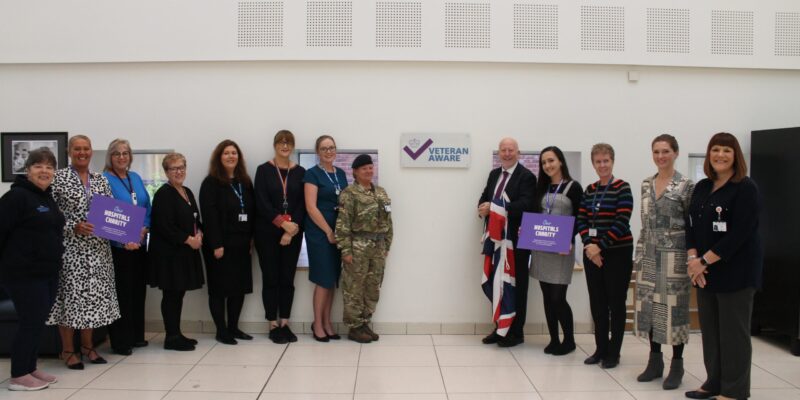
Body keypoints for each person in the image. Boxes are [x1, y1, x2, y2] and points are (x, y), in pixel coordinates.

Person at [684, 133, 762, 400]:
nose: (720, 155)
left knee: (734, 335)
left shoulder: (745, 187)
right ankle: (714, 382)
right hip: (705, 274)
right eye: (715, 150)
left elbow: (740, 234)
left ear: (735, 155)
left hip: (736, 273)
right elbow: (691, 224)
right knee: (712, 332)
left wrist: (703, 261)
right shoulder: (703, 186)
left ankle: (735, 390)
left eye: (726, 150)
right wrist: (694, 260)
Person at [47, 135, 120, 369]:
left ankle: (88, 347)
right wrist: (72, 226)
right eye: (77, 149)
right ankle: (68, 350)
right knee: (70, 300)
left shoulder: (100, 180)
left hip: (99, 252)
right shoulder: (58, 179)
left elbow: (111, 214)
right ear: (69, 151)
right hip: (71, 252)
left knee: (92, 300)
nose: (82, 152)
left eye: (86, 148)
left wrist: (127, 231)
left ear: (91, 151)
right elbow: (49, 217)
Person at [0, 149, 64, 391]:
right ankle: (18, 374)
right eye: (38, 166)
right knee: (30, 321)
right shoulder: (15, 198)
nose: (44, 171)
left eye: (49, 167)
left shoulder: (46, 197)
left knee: (38, 321)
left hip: (47, 272)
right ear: (27, 170)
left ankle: (30, 367)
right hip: (23, 274)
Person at [634, 134, 694, 389]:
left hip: (674, 260)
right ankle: (654, 361)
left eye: (665, 151)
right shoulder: (646, 183)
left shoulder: (686, 185)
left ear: (676, 153)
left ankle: (677, 365)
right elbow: (644, 222)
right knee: (650, 311)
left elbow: (693, 225)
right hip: (648, 255)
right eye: (656, 152)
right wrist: (638, 256)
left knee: (674, 312)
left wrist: (693, 257)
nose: (661, 156)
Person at [576, 143, 633, 369]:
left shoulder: (622, 188)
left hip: (617, 253)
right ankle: (600, 348)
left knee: (616, 304)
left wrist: (599, 246)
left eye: (606, 161)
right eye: (598, 161)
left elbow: (622, 221)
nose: (602, 165)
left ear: (612, 161)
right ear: (593, 164)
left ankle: (613, 352)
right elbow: (581, 219)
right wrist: (590, 246)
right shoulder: (589, 190)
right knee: (597, 304)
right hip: (592, 254)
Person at [478, 137, 536, 348]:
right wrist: (482, 207)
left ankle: (516, 332)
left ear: (518, 153)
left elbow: (526, 204)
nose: (507, 153)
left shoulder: (526, 176)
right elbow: (485, 197)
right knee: (496, 284)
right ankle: (500, 328)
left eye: (511, 150)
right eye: (503, 150)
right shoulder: (494, 174)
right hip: (495, 242)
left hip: (516, 242)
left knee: (517, 286)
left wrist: (494, 207)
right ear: (499, 153)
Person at [200, 140, 255, 345]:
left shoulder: (245, 181)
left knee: (238, 288)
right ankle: (221, 331)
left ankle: (233, 327)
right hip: (220, 245)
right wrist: (216, 244)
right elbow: (209, 215)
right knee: (219, 288)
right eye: (226, 153)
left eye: (234, 153)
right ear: (219, 157)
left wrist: (250, 240)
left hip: (241, 244)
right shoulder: (211, 182)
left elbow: (252, 212)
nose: (231, 156)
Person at [149, 153, 204, 351]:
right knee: (171, 295)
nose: (179, 171)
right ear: (166, 172)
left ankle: (177, 333)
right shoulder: (164, 194)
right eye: (174, 168)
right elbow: (165, 226)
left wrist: (199, 234)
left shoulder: (187, 191)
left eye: (181, 167)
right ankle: (171, 337)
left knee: (179, 294)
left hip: (185, 253)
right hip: (169, 255)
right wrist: (189, 239)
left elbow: (195, 219)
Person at [254, 130, 306, 344]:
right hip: (267, 233)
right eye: (281, 143)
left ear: (293, 146)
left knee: (287, 279)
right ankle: (272, 323)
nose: (285, 146)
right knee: (271, 278)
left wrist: (290, 230)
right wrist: (282, 223)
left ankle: (284, 322)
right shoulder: (263, 170)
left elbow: (303, 204)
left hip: (292, 234)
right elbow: (261, 202)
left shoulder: (301, 171)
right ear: (275, 145)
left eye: (289, 143)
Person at [335, 154, 393, 343]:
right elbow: (343, 224)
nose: (368, 171)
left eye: (370, 167)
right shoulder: (349, 193)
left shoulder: (381, 193)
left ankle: (364, 322)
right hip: (358, 246)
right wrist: (346, 250)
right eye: (364, 168)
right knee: (354, 288)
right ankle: (354, 327)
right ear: (355, 172)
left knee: (372, 287)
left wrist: (387, 244)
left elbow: (389, 221)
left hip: (378, 247)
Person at [530, 146, 582, 356]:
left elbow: (581, 217)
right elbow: (534, 214)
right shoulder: (541, 187)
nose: (548, 165)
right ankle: (554, 339)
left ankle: (569, 341)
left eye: (551, 160)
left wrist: (569, 240)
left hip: (562, 249)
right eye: (544, 163)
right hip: (541, 248)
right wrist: (527, 228)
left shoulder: (573, 187)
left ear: (560, 161)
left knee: (558, 297)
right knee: (546, 296)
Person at [103, 139, 152, 356]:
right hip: (118, 247)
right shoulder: (104, 179)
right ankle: (121, 341)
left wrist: (144, 228)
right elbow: (103, 212)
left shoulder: (135, 178)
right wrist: (124, 238)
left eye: (125, 153)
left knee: (138, 291)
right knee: (122, 293)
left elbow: (146, 206)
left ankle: (136, 336)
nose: (122, 157)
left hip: (139, 243)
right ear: (110, 157)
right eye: (117, 154)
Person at [304, 135, 348, 342]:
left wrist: (339, 232)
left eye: (331, 147)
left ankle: (328, 322)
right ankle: (318, 324)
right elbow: (311, 208)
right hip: (319, 233)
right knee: (322, 279)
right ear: (317, 152)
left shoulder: (340, 174)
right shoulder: (312, 174)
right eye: (324, 148)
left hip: (337, 232)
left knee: (331, 280)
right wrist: (328, 232)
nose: (328, 151)